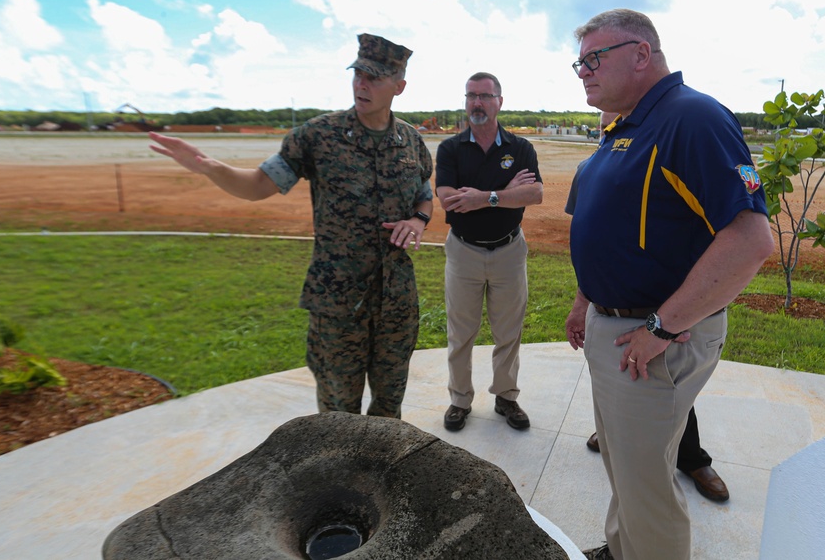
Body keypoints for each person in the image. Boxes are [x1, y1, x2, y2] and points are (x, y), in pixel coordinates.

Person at [565, 10, 774, 560]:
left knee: (648, 485)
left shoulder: (693, 118)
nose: (582, 71)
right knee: (624, 466)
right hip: (615, 327)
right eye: (578, 62)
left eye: (593, 58)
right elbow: (608, 227)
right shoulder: (621, 126)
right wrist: (586, 299)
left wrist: (662, 326)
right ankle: (621, 548)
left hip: (653, 339)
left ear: (641, 54)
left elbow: (751, 239)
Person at [148, 33, 434, 419]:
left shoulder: (411, 141)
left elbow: (423, 191)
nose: (361, 84)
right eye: (358, 73)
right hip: (338, 302)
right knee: (337, 412)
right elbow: (256, 186)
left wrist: (418, 219)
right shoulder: (318, 136)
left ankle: (378, 474)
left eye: (374, 77)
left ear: (399, 86)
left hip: (395, 301)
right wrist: (208, 166)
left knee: (389, 406)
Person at [566, 111, 729, 505]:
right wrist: (580, 304)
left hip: (663, 319)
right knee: (616, 394)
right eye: (609, 121)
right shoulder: (590, 169)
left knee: (668, 401)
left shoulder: (668, 154)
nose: (615, 123)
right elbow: (595, 247)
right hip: (606, 314)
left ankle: (691, 459)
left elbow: (735, 239)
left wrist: (667, 324)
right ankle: (611, 433)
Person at [434, 71, 543, 432]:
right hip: (463, 251)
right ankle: (459, 400)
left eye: (484, 96)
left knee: (508, 330)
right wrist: (504, 191)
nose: (477, 103)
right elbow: (448, 199)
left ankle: (506, 396)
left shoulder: (520, 148)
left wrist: (483, 197)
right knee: (461, 331)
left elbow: (534, 194)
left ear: (499, 101)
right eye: (471, 96)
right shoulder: (450, 148)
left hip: (509, 250)